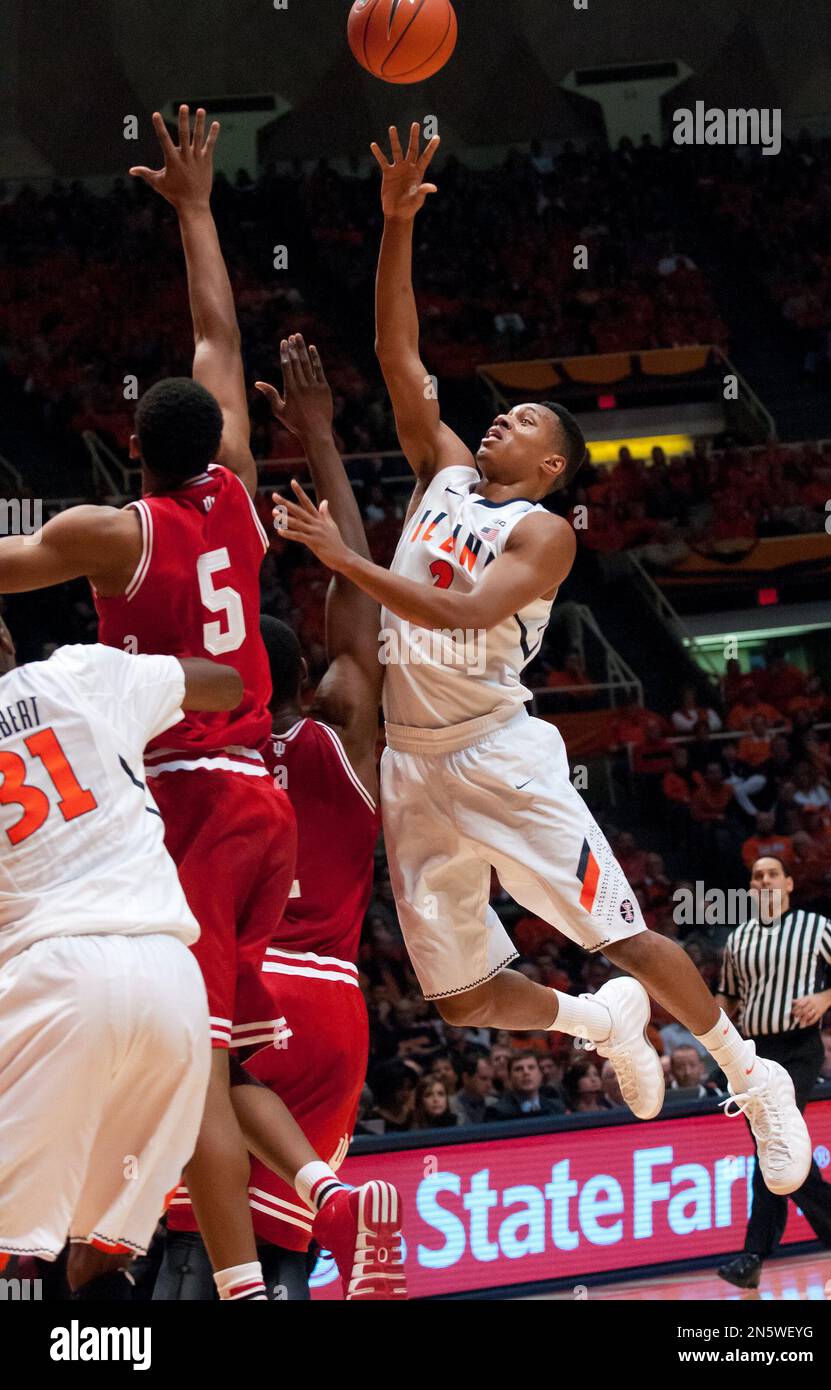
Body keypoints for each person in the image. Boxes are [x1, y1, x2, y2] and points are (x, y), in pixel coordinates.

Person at [275, 121, 813, 1203]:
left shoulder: (545, 534)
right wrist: (392, 228)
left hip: (497, 757)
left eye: (518, 419)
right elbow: (396, 357)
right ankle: (593, 1023)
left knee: (624, 934)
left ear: (553, 464)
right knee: (464, 999)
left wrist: (343, 557)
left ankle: (754, 1081)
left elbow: (459, 607)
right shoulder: (442, 470)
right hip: (414, 771)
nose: (496, 422)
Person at [0, 111, 389, 1302]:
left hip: (180, 811)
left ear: (127, 441)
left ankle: (231, 1289)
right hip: (259, 796)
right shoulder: (236, 495)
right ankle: (319, 1195)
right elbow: (218, 330)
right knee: (214, 1053)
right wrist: (195, 208)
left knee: (206, 1076)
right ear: (212, 440)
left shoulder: (112, 535)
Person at [154, 336, 405, 1301]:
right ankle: (332, 1207)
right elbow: (357, 599)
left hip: (236, 1005)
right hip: (333, 1008)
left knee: (198, 1252)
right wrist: (324, 441)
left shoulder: (205, 755)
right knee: (285, 1252)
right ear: (309, 679)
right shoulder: (340, 737)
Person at [0, 622, 239, 1298]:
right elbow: (225, 684)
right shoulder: (81, 674)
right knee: (101, 1249)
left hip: (52, 981)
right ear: (9, 637)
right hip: (170, 982)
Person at [716, 855, 831, 1289]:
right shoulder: (738, 938)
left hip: (799, 1049)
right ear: (750, 887)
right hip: (755, 1052)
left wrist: (826, 999)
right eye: (757, 875)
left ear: (789, 883)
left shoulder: (816, 927)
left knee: (776, 1141)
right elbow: (726, 998)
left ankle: (753, 1255)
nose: (764, 880)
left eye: (772, 874)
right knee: (774, 1149)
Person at [494, 1052, 566, 1120]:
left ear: (540, 1075)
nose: (526, 1072)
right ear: (510, 1078)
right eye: (518, 1069)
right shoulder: (497, 1112)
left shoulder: (557, 1107)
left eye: (531, 1067)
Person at [452, 1046, 497, 1126]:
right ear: (466, 1078)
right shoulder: (449, 1106)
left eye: (491, 1079)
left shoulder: (495, 1103)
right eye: (483, 1079)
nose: (489, 1085)